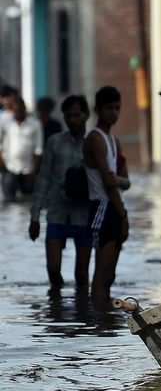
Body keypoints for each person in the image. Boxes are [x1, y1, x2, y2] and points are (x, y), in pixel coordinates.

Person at [29, 95, 91, 289]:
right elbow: (44, 179)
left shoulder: (93, 144)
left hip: (84, 215)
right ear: (64, 118)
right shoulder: (54, 143)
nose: (74, 120)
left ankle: (83, 314)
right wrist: (35, 217)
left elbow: (103, 182)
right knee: (53, 271)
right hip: (57, 213)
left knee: (82, 275)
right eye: (69, 116)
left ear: (86, 115)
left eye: (77, 115)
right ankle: (56, 311)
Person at [84, 86, 131, 308]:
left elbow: (124, 180)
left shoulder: (114, 140)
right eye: (109, 108)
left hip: (115, 207)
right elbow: (108, 181)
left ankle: (104, 317)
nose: (114, 113)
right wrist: (122, 213)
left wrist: (122, 213)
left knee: (110, 272)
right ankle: (98, 319)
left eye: (117, 108)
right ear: (98, 110)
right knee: (101, 273)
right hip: (101, 207)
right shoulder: (95, 138)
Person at [0, 97, 43, 202]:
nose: (18, 112)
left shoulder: (35, 124)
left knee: (28, 202)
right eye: (15, 110)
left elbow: (38, 149)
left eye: (20, 110)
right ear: (12, 110)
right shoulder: (6, 123)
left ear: (24, 109)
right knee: (8, 202)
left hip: (28, 171)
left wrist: (34, 171)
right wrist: (3, 166)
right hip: (10, 169)